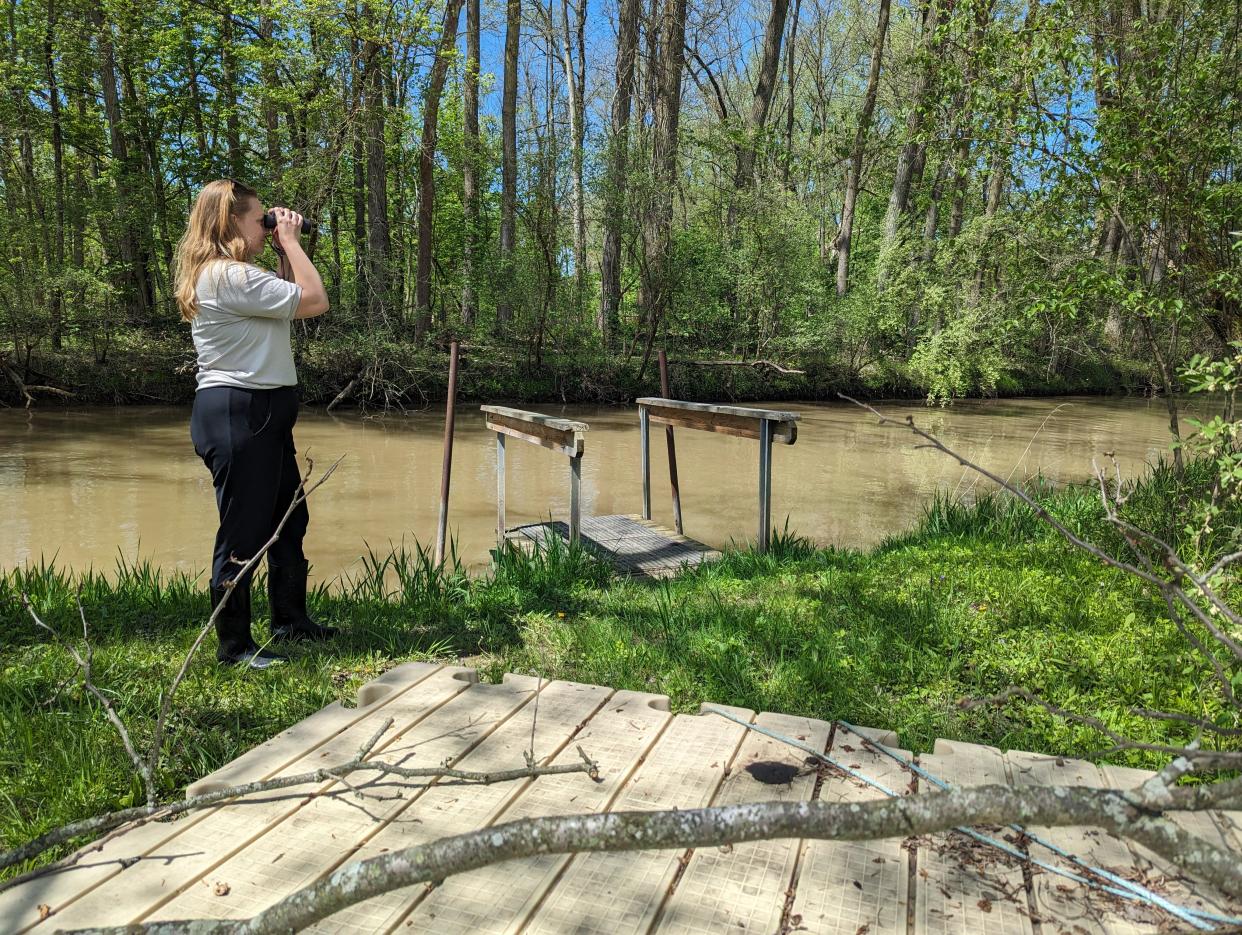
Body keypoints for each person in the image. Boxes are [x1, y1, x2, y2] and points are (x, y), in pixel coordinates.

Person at [173, 179, 334, 669]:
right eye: (260, 219)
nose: (267, 227)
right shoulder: (228, 277)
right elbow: (314, 299)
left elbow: (291, 300)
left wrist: (284, 250)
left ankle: (289, 621)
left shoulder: (237, 276)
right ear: (231, 223)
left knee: (288, 519)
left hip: (258, 415)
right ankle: (234, 647)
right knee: (244, 532)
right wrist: (292, 240)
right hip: (239, 414)